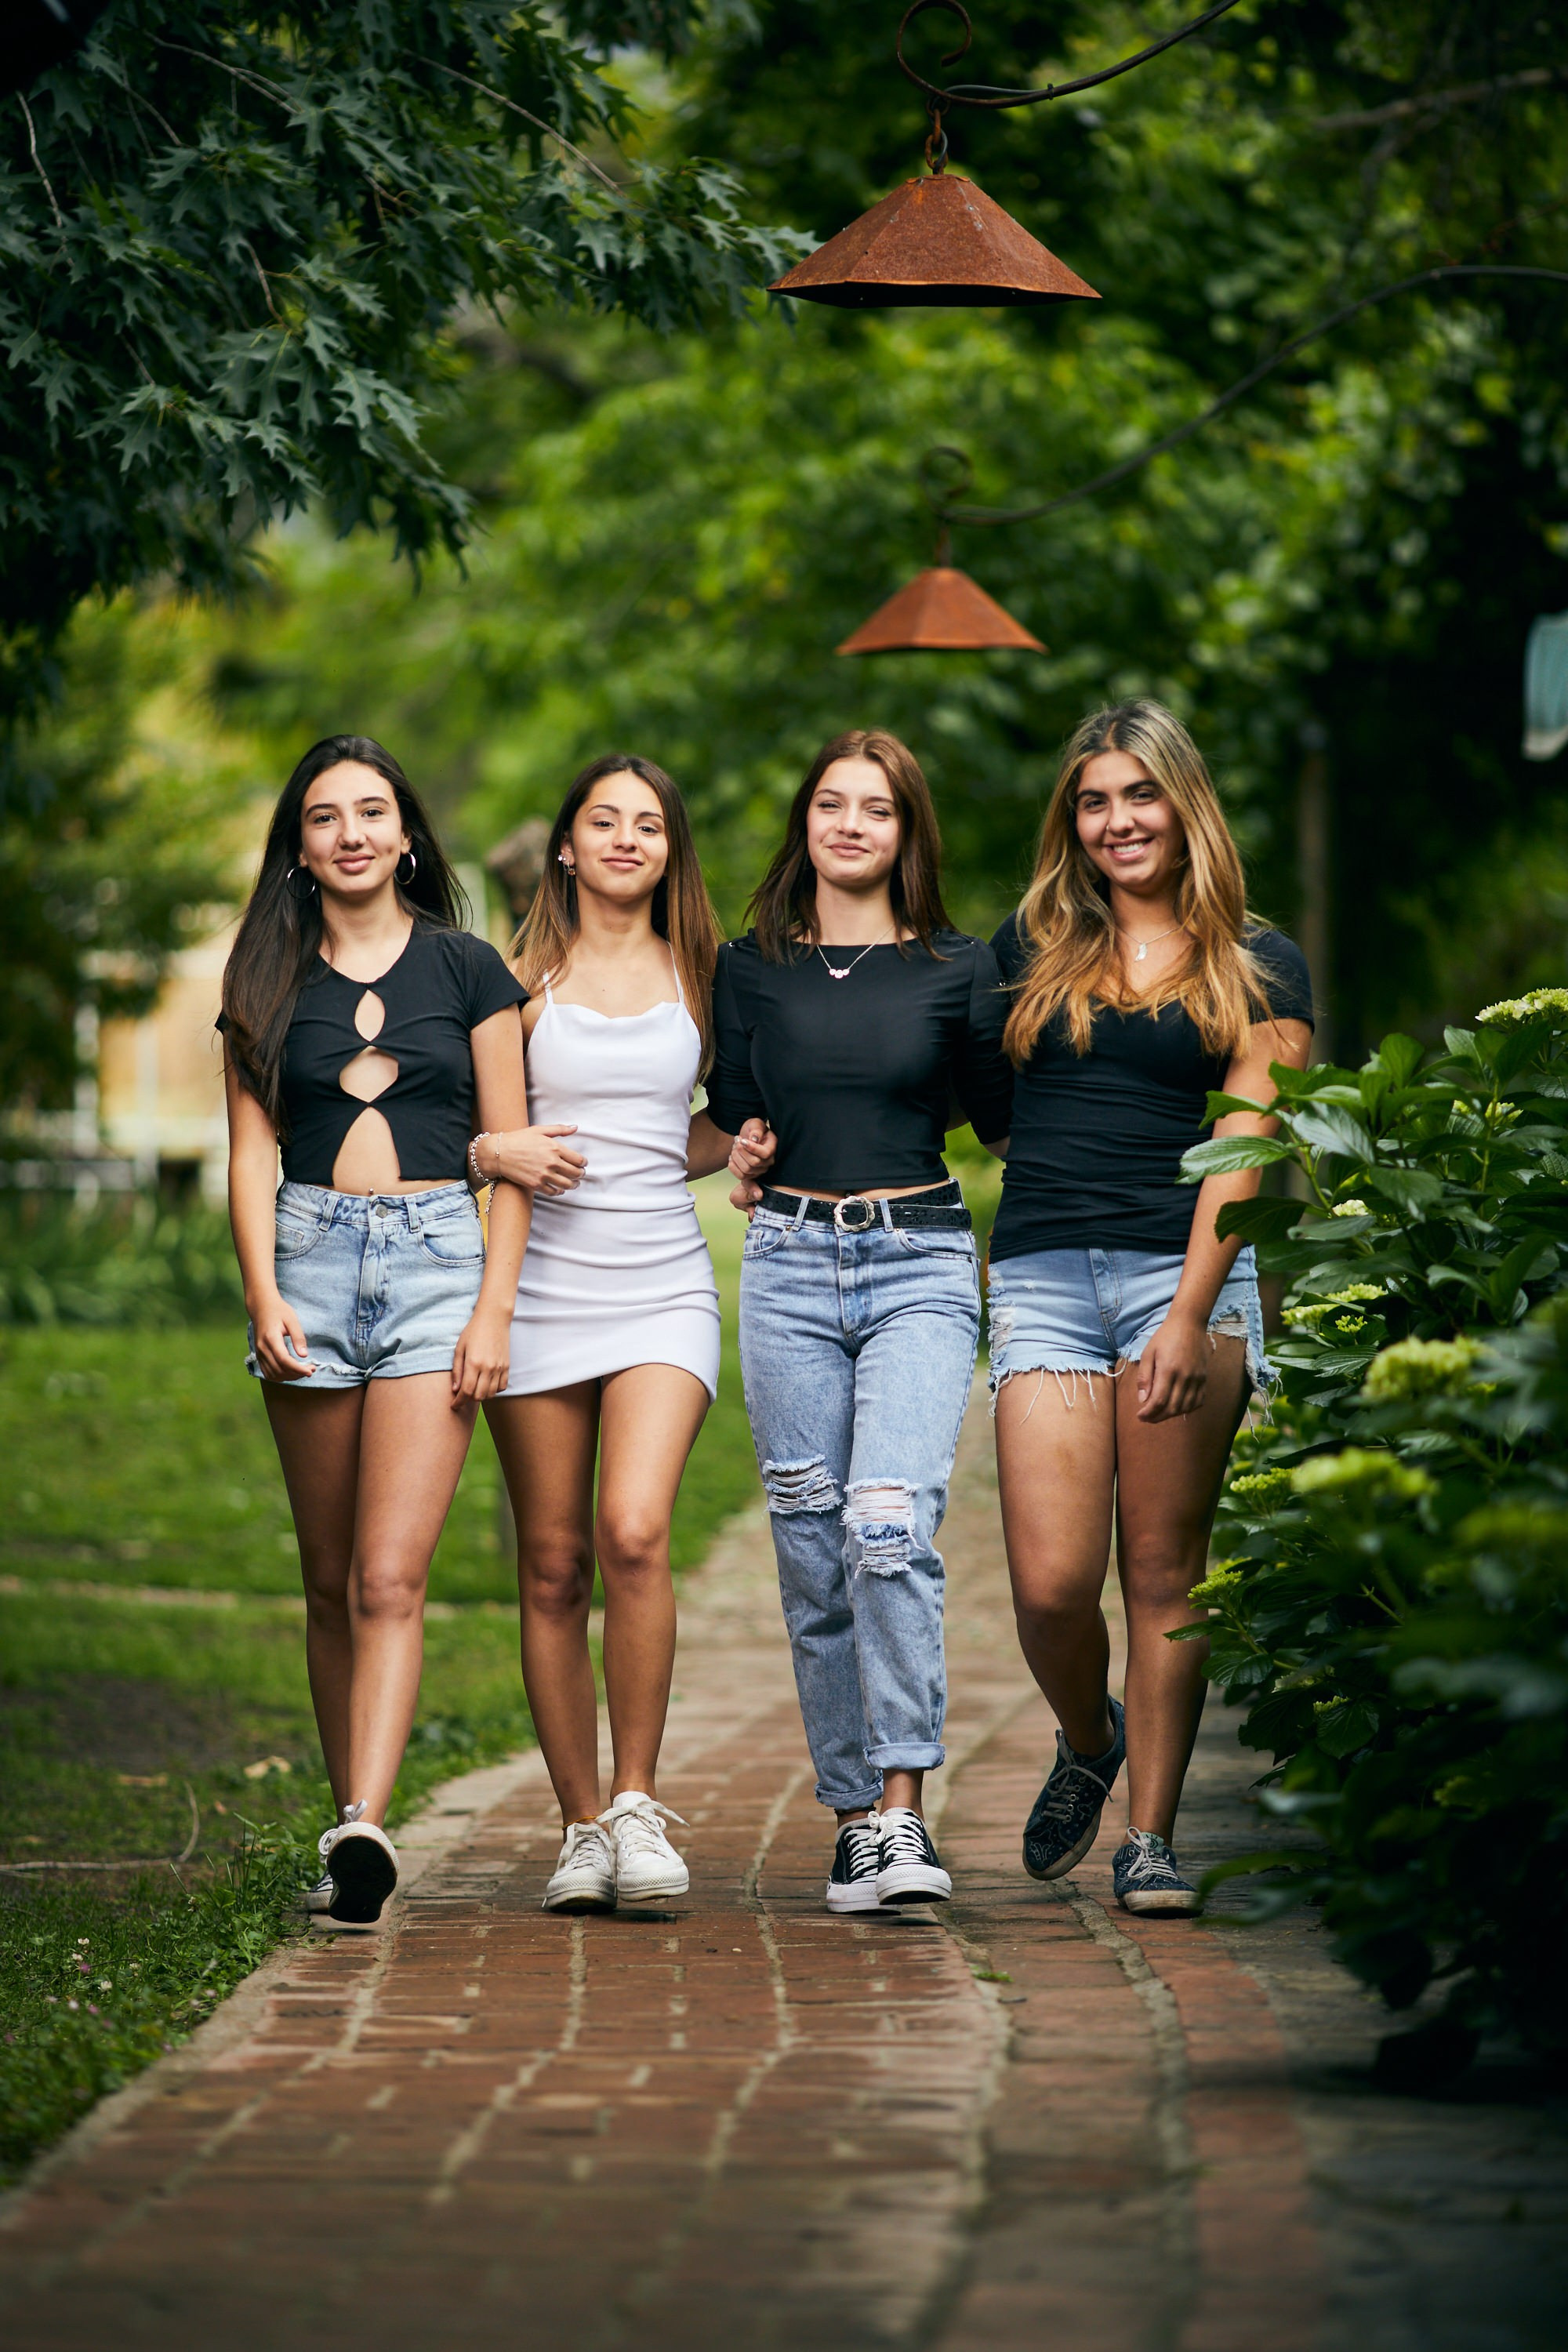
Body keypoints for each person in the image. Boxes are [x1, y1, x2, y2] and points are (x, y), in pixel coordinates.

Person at [988, 699, 1313, 1915]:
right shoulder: (1026, 948)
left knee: (1164, 1572)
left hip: (1182, 1284)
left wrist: (1190, 1313)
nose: (1118, 820)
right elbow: (942, 1080)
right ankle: (1088, 1736)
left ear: (1184, 804)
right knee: (1053, 1585)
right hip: (1041, 1278)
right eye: (1093, 799)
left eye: (1139, 794)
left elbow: (1244, 1148)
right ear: (1071, 821)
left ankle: (1152, 1840)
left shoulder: (1261, 963)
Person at [220, 735, 531, 1926]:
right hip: (305, 1261)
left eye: (371, 812)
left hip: (438, 1272)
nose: (350, 833)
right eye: (323, 818)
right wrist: (264, 1294)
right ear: (298, 848)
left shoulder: (468, 969)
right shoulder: (264, 981)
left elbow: (509, 1161)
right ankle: (348, 1810)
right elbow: (251, 1155)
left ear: (408, 836)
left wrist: (493, 1309)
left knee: (391, 1576)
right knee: (328, 1577)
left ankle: (361, 1824)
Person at [708, 729, 1013, 1914]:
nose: (850, 825)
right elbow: (740, 1116)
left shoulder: (959, 967)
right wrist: (745, 1154)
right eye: (830, 804)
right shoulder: (750, 969)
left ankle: (902, 1814)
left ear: (905, 833)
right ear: (805, 826)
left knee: (886, 1524)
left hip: (920, 1261)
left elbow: (1004, 1126)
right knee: (810, 1545)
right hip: (786, 1263)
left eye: (875, 810)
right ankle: (851, 1819)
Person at [471, 756, 770, 1912]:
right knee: (552, 1565)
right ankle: (580, 1827)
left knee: (634, 1531)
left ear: (669, 849)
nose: (627, 839)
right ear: (566, 846)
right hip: (538, 1289)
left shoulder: (705, 971)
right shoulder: (514, 978)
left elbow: (691, 1129)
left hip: (660, 1286)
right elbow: (458, 1126)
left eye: (649, 825)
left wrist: (734, 1147)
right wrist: (498, 1152)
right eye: (605, 821)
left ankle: (639, 1805)